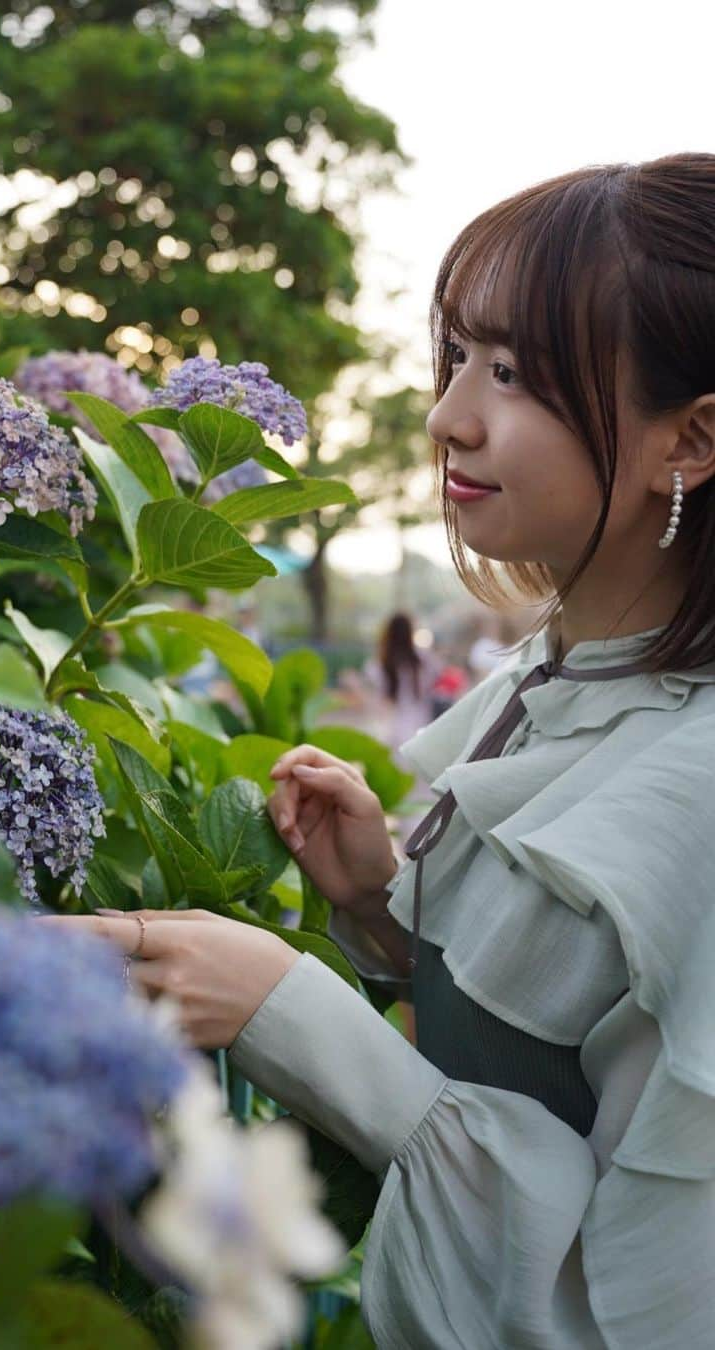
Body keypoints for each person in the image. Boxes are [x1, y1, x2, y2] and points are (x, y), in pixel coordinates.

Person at [45, 154, 715, 1348]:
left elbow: (637, 1302)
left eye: (513, 373)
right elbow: (546, 1029)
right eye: (455, 356)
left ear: (694, 439)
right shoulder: (549, 675)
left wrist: (290, 1010)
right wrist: (379, 904)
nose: (452, 413)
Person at [362, 612, 445, 751]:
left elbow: (377, 700)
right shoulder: (424, 660)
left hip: (392, 730)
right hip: (422, 726)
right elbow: (437, 677)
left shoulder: (380, 664)